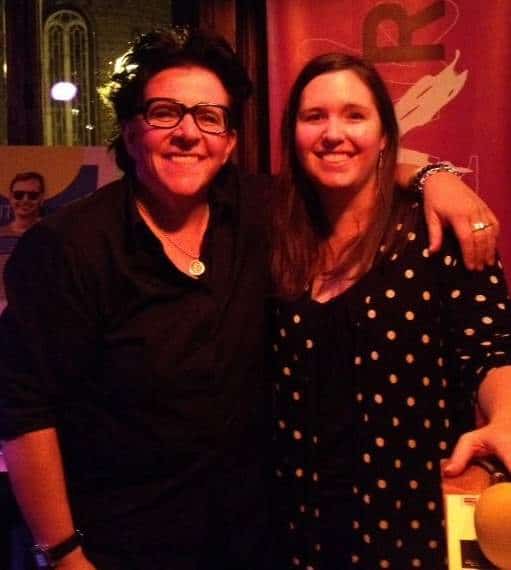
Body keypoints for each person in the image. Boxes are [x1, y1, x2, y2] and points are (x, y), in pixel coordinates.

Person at [0, 28, 501, 570]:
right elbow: (23, 408)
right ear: (130, 129)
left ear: (231, 141)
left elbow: (350, 171)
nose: (188, 133)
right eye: (165, 113)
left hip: (261, 544)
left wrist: (434, 177)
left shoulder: (260, 213)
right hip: (123, 547)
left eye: (209, 117)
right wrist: (63, 554)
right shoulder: (66, 247)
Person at [269, 52, 511, 569]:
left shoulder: (438, 233)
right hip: (294, 533)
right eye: (314, 117)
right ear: (293, 134)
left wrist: (508, 416)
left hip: (409, 529)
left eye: (355, 115)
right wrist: (428, 173)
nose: (333, 133)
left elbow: (490, 352)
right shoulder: (272, 235)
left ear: (384, 136)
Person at [0, 171, 45, 313]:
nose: (25, 200)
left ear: (42, 199)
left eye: (32, 195)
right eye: (18, 195)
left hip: (37, 311)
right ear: (10, 198)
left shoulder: (52, 237)